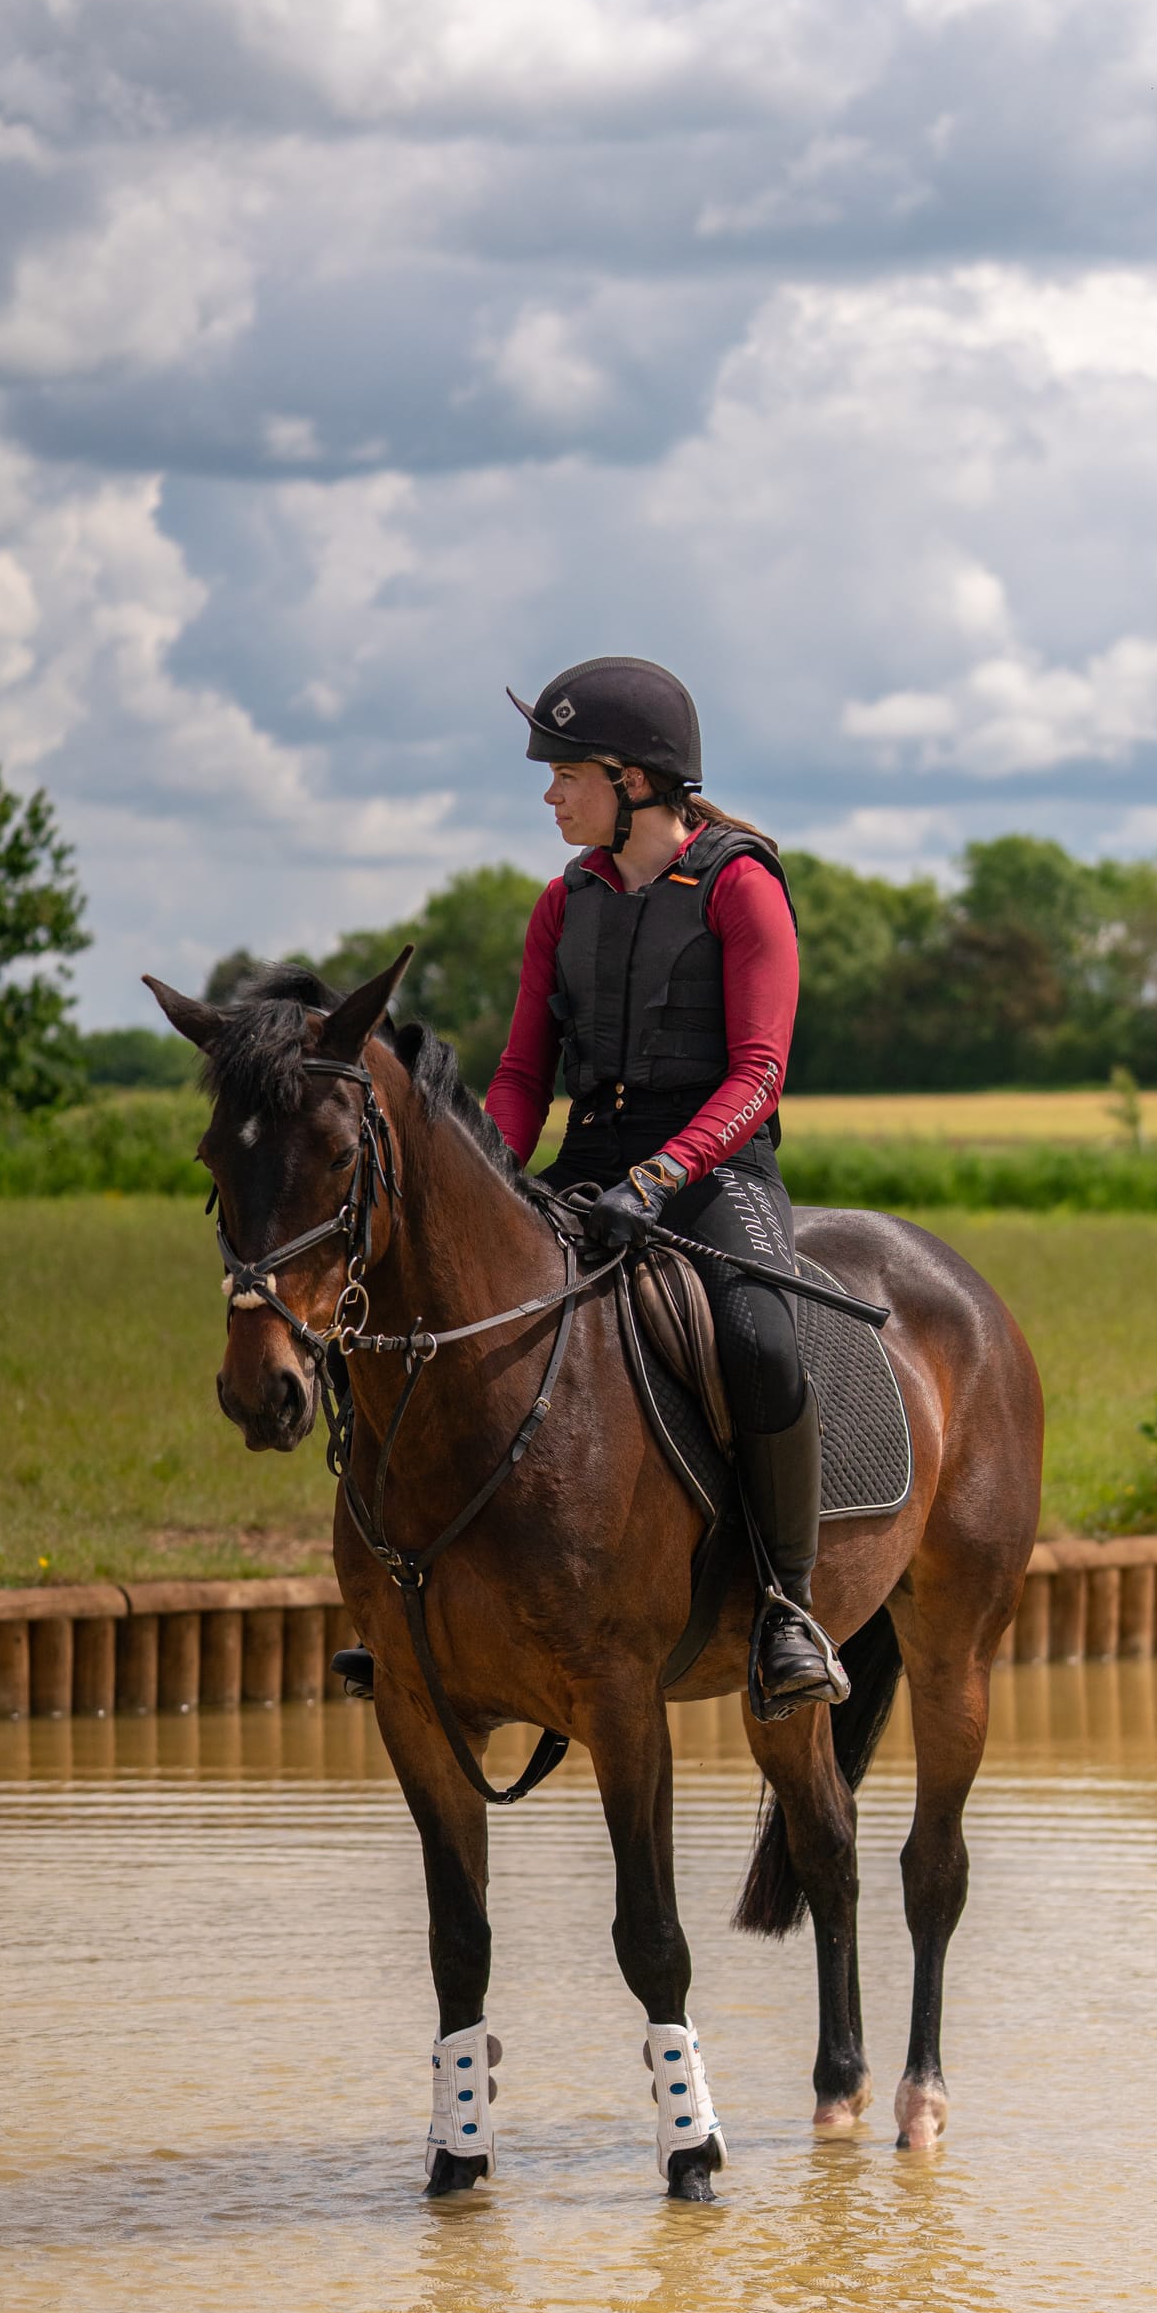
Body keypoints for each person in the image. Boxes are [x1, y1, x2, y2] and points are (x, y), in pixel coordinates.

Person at [484, 655, 847, 1714]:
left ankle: (786, 1605)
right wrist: (494, 1179)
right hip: (587, 1167)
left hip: (710, 1168)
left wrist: (658, 1177)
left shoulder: (741, 887)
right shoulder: (565, 902)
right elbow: (518, 1076)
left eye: (565, 774)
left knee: (762, 1342)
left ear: (633, 780)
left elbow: (759, 1074)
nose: (548, 794)